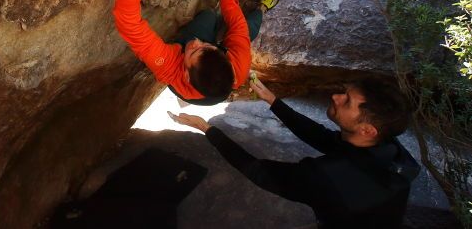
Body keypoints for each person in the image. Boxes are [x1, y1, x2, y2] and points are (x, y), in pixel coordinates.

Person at [169, 77, 420, 228]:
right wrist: (272, 101)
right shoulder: (392, 151)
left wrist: (207, 128)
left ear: (367, 130)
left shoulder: (326, 177)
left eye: (347, 102)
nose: (335, 96)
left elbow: (258, 171)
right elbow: (325, 138)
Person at [112, 0, 278, 105]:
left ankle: (223, 29)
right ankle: (261, 10)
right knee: (244, 27)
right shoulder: (239, 64)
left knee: (207, 20)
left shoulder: (172, 70)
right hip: (217, 70)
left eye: (194, 50)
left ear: (186, 73)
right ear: (224, 55)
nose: (198, 41)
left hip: (193, 92)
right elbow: (238, 24)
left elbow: (130, 25)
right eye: (208, 46)